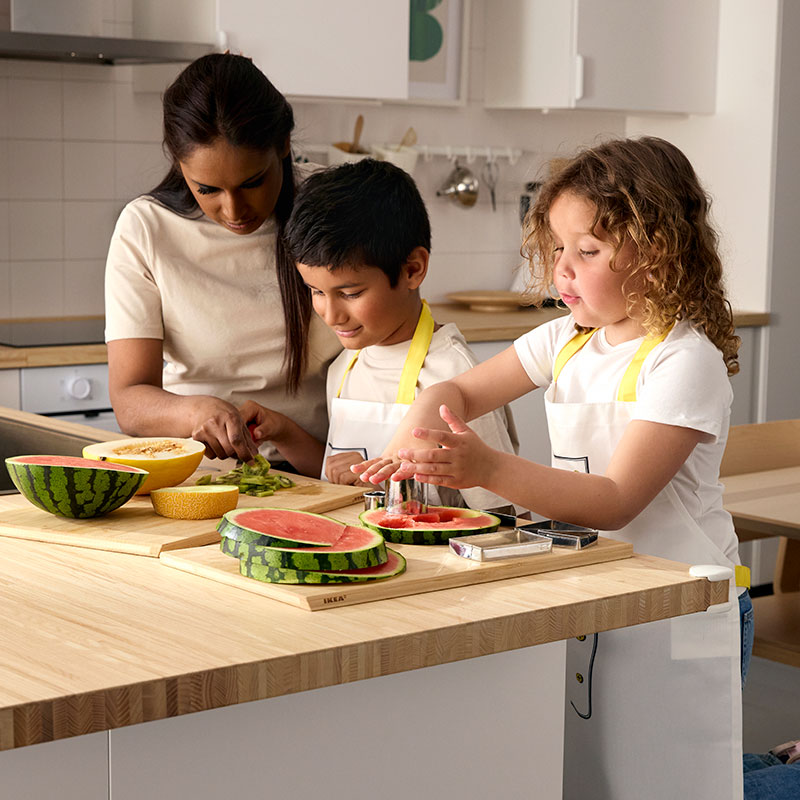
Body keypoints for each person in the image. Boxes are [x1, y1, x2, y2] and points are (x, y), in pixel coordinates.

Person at [356, 137, 751, 799]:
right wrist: (413, 442)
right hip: (600, 591)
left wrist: (485, 464)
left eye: (587, 252)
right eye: (559, 248)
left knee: (680, 781)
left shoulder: (682, 361)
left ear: (657, 254)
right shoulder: (568, 341)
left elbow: (616, 499)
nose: (562, 270)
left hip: (681, 603)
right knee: (598, 776)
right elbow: (451, 393)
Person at [104, 53, 339, 472]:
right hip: (202, 476)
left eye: (253, 182)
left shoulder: (330, 206)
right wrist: (195, 413)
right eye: (207, 189)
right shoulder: (146, 228)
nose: (234, 210)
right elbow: (130, 399)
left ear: (283, 144)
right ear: (179, 162)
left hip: (327, 470)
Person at [249, 157, 517, 510]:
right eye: (316, 292)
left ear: (412, 269)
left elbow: (508, 515)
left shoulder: (457, 376)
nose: (331, 314)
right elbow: (339, 477)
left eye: (350, 293)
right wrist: (282, 431)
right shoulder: (346, 365)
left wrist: (386, 486)